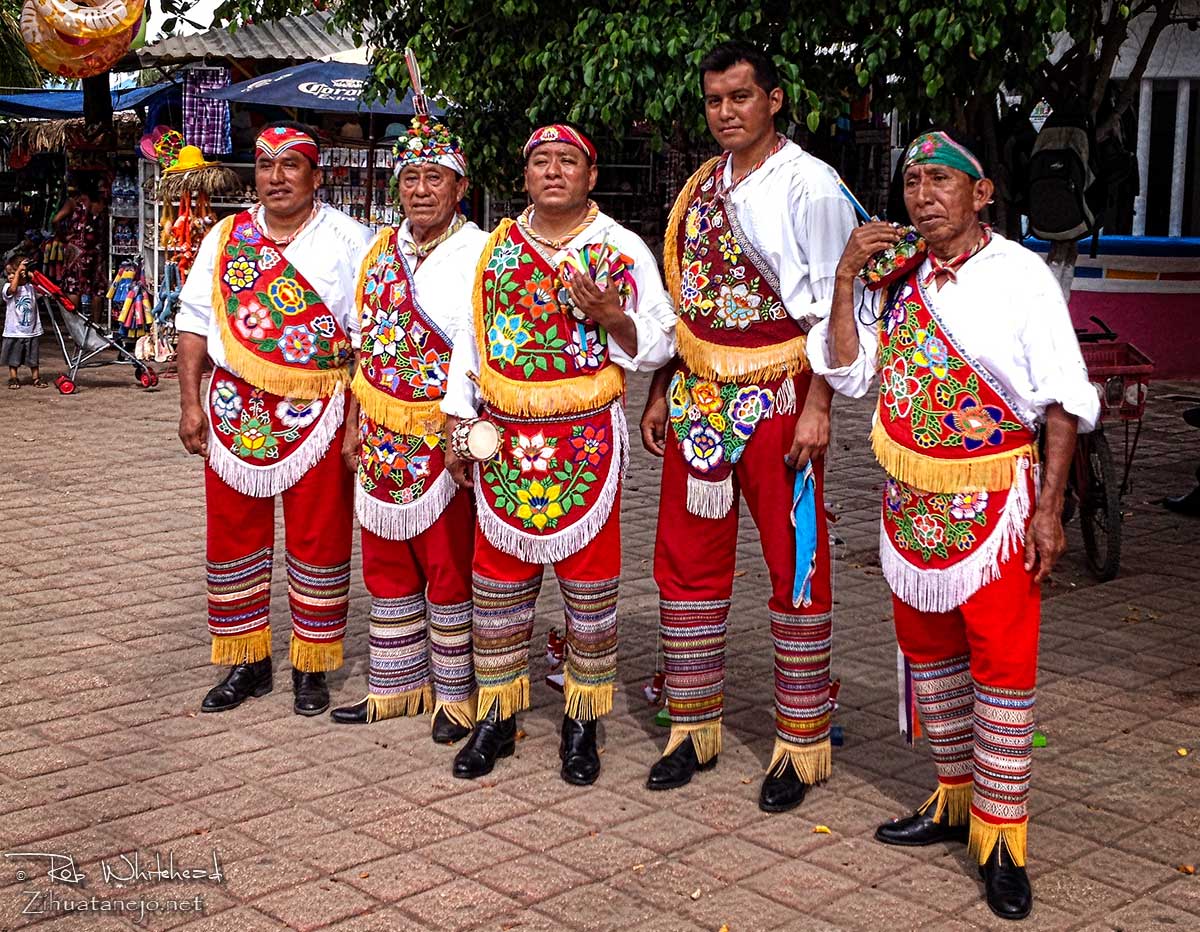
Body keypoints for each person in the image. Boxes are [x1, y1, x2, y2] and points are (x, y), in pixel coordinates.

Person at [810, 130, 1100, 920]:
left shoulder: (1022, 275)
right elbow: (849, 371)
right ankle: (951, 800)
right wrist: (845, 276)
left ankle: (1002, 839)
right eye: (912, 182)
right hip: (908, 503)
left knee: (1001, 663)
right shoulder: (894, 275)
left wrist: (1049, 512)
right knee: (928, 654)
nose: (923, 195)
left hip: (996, 501)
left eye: (941, 179)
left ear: (982, 193)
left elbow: (1062, 399)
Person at [640, 41, 855, 813]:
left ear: (774, 99)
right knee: (687, 557)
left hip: (782, 393)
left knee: (795, 560)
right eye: (714, 100)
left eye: (740, 96)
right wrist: (661, 387)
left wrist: (821, 406)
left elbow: (838, 304)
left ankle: (800, 741)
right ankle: (692, 727)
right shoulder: (702, 185)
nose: (726, 112)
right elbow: (686, 303)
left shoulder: (811, 185)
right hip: (699, 397)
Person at [442, 123, 675, 785]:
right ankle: (496, 716)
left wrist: (612, 316)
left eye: (566, 161)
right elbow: (470, 340)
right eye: (540, 160)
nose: (552, 171)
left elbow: (661, 341)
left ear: (590, 176)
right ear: (524, 176)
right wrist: (458, 425)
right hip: (504, 439)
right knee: (498, 582)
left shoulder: (620, 247)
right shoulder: (495, 248)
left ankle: (582, 720)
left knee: (589, 585)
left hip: (584, 440)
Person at [175, 122, 373, 717]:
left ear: (317, 176)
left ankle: (312, 663)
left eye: (291, 165)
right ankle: (247, 660)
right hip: (233, 411)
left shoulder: (351, 240)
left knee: (320, 536)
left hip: (320, 408)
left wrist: (356, 422)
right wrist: (189, 402)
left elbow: (369, 340)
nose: (276, 177)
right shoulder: (225, 237)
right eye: (265, 165)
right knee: (232, 534)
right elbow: (194, 322)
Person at [330, 104, 489, 742]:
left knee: (447, 560)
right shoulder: (380, 249)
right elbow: (363, 344)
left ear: (460, 186)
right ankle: (394, 686)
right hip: (379, 430)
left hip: (442, 432)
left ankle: (455, 695)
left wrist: (463, 432)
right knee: (386, 559)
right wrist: (353, 423)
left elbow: (482, 349)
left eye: (434, 177)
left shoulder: (482, 252)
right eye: (410, 178)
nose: (421, 190)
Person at [3, 257, 44, 388]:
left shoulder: (31, 288)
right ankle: (13, 377)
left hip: (31, 330)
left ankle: (36, 377)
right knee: (13, 357)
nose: (10, 276)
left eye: (13, 273)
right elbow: (13, 290)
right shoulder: (7, 287)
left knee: (33, 357)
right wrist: (17, 272)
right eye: (8, 274)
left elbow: (43, 288)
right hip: (14, 331)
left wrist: (29, 274)